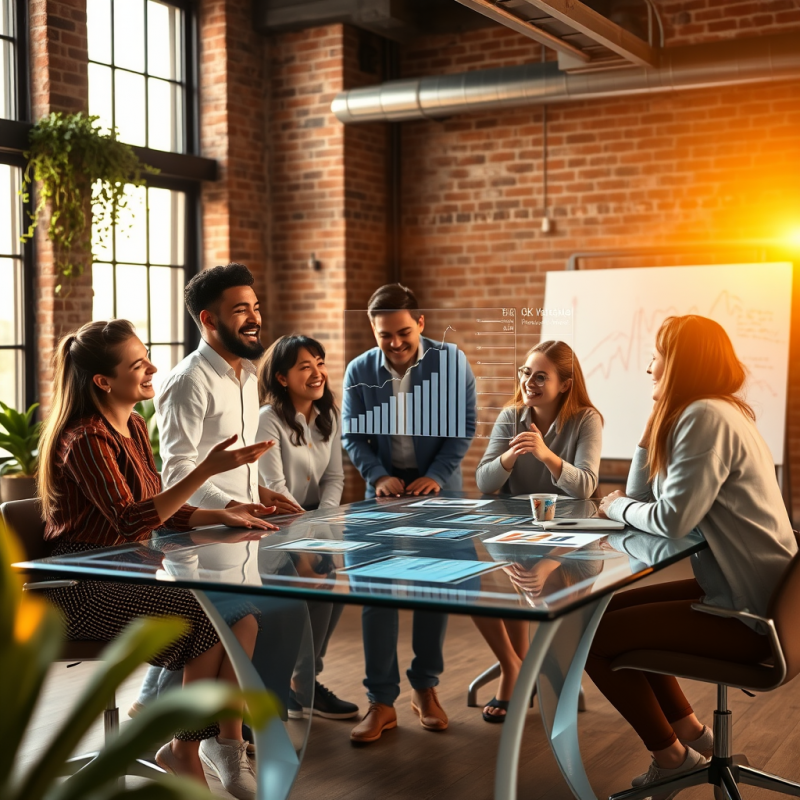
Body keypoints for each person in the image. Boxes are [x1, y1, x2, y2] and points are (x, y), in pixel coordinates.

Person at [37, 319, 276, 800]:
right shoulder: (86, 438)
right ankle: (186, 750)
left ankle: (200, 747)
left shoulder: (133, 425)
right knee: (205, 622)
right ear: (103, 381)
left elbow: (157, 508)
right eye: (138, 363)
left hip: (128, 567)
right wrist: (206, 470)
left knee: (240, 617)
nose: (153, 368)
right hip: (79, 583)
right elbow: (131, 521)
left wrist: (222, 513)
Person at [590, 315, 797, 794]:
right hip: (764, 598)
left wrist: (613, 504)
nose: (648, 368)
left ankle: (671, 759)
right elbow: (651, 499)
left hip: (755, 618)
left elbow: (670, 520)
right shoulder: (721, 411)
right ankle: (690, 735)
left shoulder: (705, 417)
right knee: (608, 609)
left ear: (679, 362)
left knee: (593, 635)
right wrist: (649, 427)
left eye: (658, 357)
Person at [132, 264, 304, 755]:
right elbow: (178, 471)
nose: (254, 318)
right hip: (198, 537)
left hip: (242, 532)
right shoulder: (188, 381)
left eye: (254, 306)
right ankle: (185, 742)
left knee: (245, 633)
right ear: (209, 319)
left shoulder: (248, 375)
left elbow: (236, 455)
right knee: (225, 637)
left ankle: (219, 742)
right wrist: (229, 505)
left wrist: (261, 493)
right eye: (240, 310)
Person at [342, 283, 476, 743]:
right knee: (376, 593)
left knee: (432, 589)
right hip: (383, 494)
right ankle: (381, 702)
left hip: (437, 491)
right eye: (384, 335)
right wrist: (377, 474)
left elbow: (463, 426)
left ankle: (425, 688)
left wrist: (436, 475)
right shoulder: (359, 370)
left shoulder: (450, 361)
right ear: (372, 329)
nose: (395, 343)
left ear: (420, 322)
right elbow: (352, 435)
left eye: (403, 332)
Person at [474, 340, 603, 721]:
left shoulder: (585, 419)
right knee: (476, 585)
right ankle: (516, 664)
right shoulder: (511, 416)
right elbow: (485, 482)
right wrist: (510, 455)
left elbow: (586, 487)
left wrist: (545, 453)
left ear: (564, 384)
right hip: (517, 531)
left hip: (571, 533)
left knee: (541, 581)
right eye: (526, 372)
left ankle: (542, 670)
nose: (529, 381)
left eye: (540, 376)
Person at [256, 334, 357, 720]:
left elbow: (334, 479)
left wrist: (323, 525)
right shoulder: (268, 420)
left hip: (317, 522)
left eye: (320, 362)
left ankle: (305, 682)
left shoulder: (327, 415)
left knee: (328, 598)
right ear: (282, 378)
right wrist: (302, 543)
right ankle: (280, 688)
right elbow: (276, 490)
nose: (317, 373)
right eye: (304, 366)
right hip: (276, 527)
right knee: (295, 605)